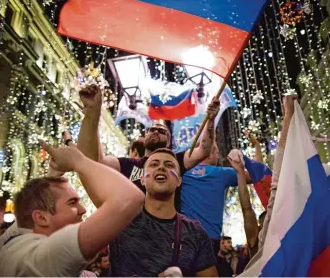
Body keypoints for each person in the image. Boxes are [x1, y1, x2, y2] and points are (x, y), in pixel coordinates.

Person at [0, 141, 144, 276]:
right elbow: (129, 199)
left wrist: (52, 177)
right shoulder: (44, 255)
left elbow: (23, 222)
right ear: (41, 218)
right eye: (72, 203)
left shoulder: (14, 245)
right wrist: (77, 161)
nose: (83, 210)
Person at [72, 84, 220, 208]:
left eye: (161, 131)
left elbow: (204, 149)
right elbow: (92, 162)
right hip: (132, 233)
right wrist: (92, 114)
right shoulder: (127, 164)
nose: (155, 132)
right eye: (152, 130)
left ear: (168, 142)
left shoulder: (176, 161)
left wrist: (211, 119)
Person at [108, 148, 218, 277]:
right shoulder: (121, 219)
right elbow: (87, 162)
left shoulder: (195, 233)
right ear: (142, 179)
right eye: (154, 164)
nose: (161, 168)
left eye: (169, 165)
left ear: (179, 181)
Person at [180, 144, 239, 254]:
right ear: (208, 154)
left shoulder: (182, 173)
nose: (218, 157)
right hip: (210, 238)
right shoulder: (222, 173)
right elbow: (253, 176)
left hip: (184, 237)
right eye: (217, 154)